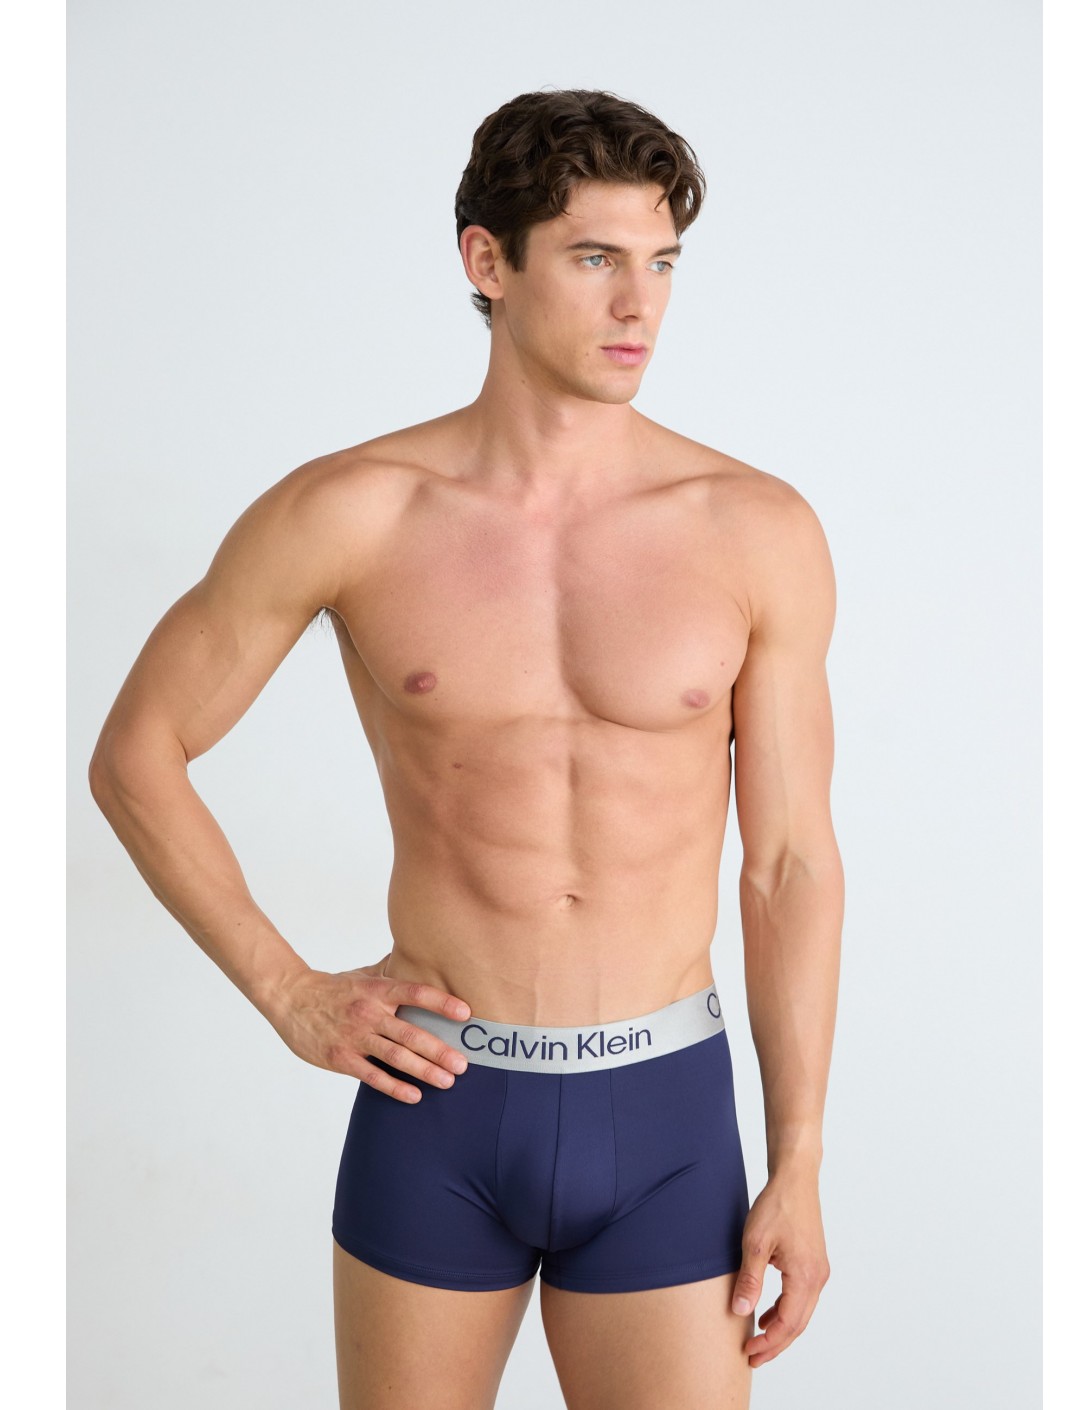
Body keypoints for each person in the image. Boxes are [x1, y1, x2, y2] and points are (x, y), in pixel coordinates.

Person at [89, 87, 842, 1410]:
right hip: (440, 1101)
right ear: (487, 261)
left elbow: (786, 864)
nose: (639, 305)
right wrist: (287, 989)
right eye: (594, 257)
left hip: (666, 1110)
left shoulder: (752, 528)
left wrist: (798, 1159)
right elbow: (137, 752)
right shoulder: (353, 512)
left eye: (662, 262)